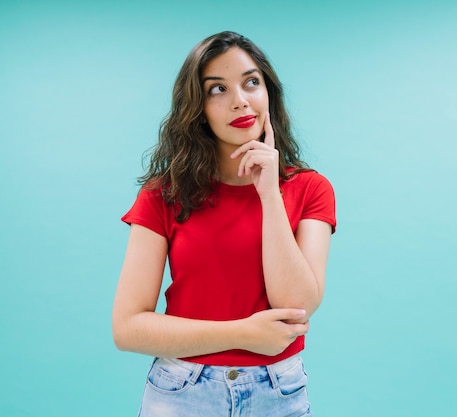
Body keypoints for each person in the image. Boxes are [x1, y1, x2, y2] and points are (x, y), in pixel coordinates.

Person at [112, 31, 336, 417]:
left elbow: (297, 306)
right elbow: (128, 327)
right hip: (181, 390)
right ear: (197, 108)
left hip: (278, 392)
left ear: (269, 92)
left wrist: (269, 195)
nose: (240, 101)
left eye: (251, 82)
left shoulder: (311, 189)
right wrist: (241, 334)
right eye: (217, 89)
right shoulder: (162, 195)